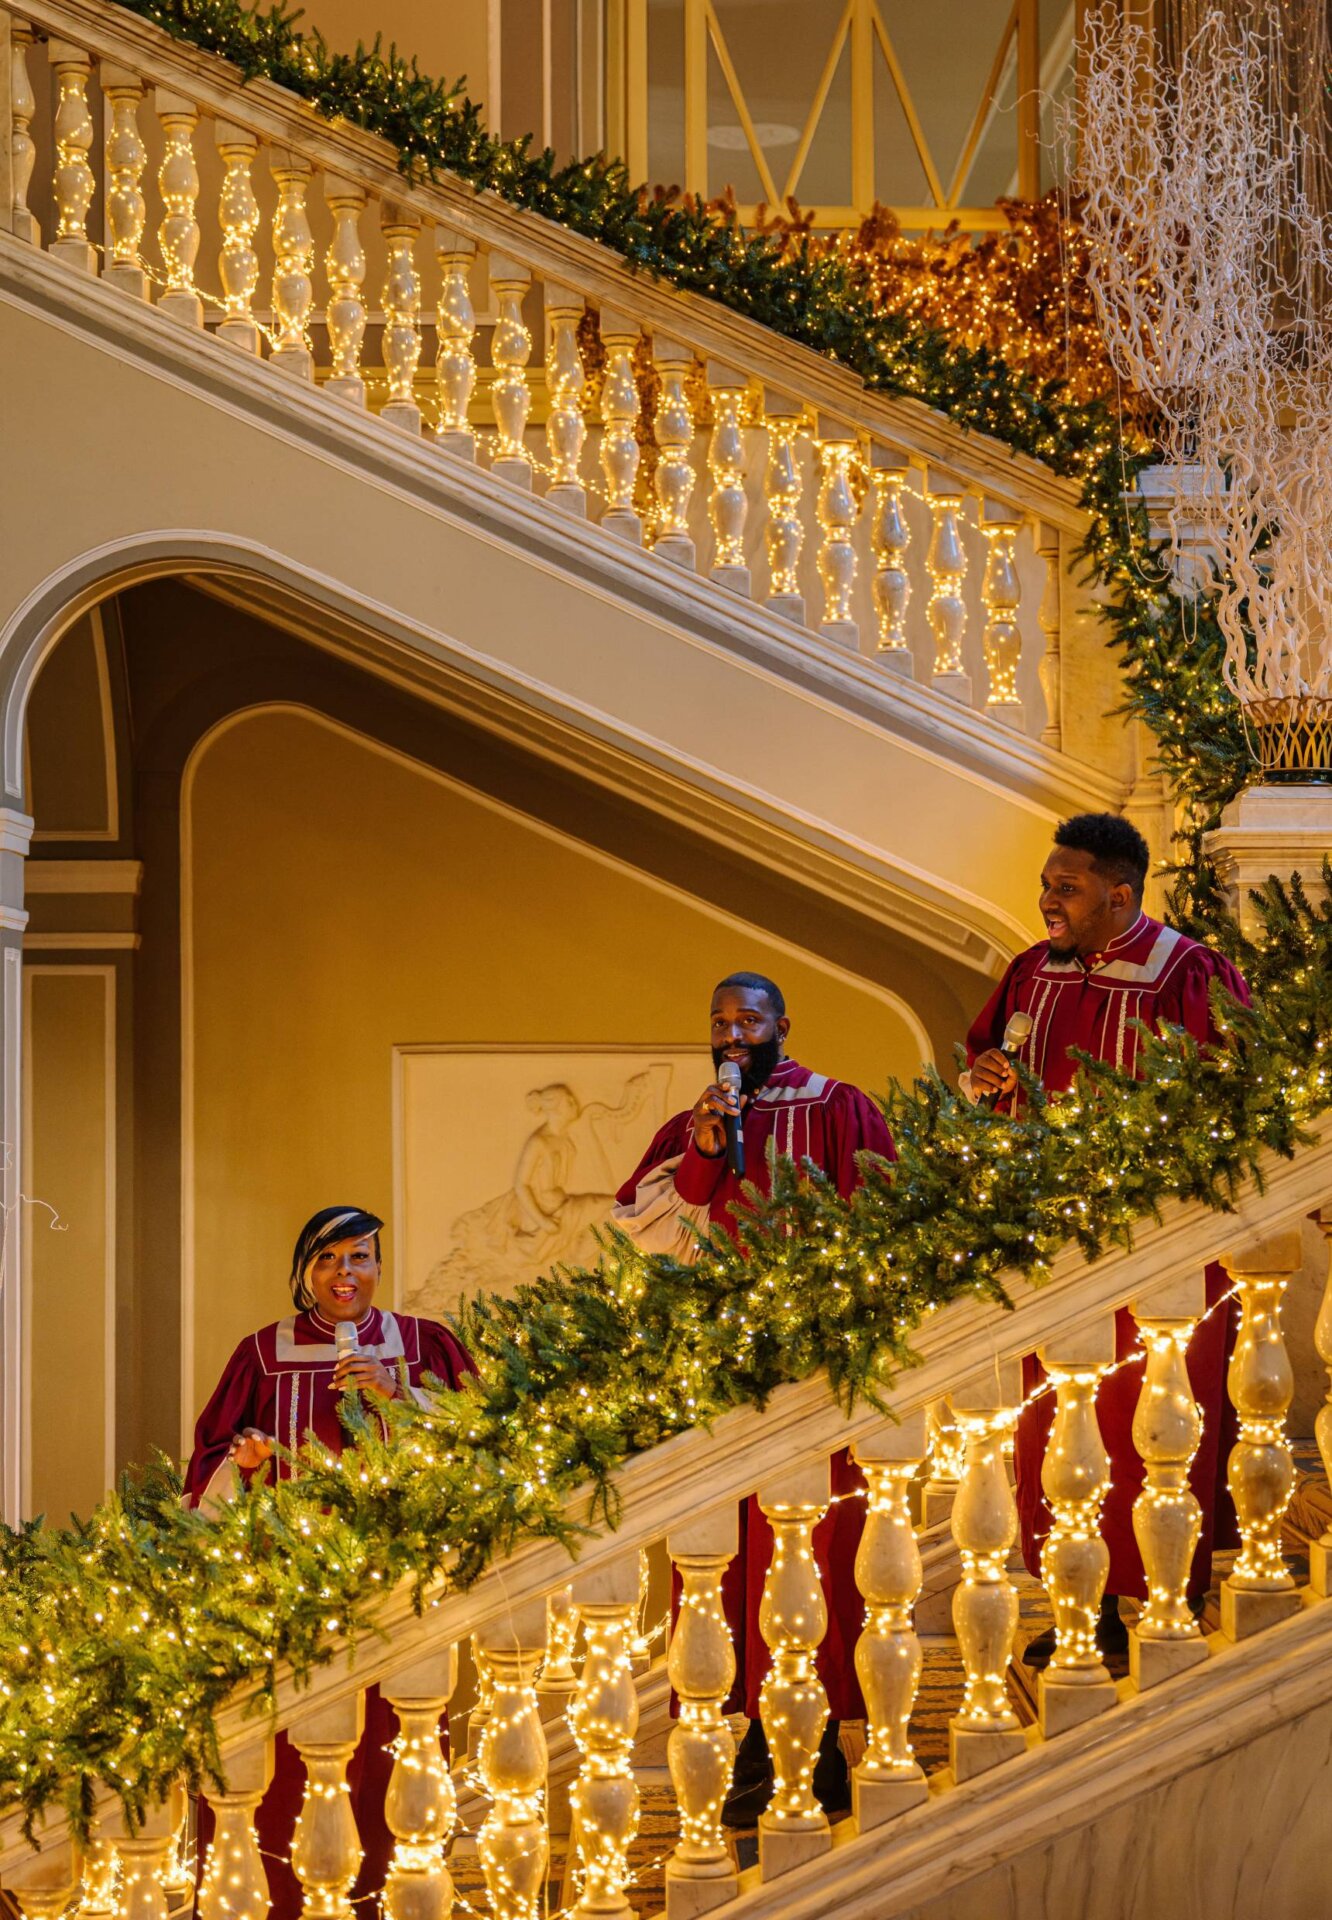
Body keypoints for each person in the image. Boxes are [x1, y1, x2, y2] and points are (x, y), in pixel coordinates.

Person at [964, 814, 1250, 1662]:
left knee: (1152, 1422)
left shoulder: (1187, 973)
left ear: (1120, 895)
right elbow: (985, 1056)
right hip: (1047, 1234)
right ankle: (1077, 1601)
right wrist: (985, 1078)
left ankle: (1156, 1589)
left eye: (1067, 886)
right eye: (1048, 882)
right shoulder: (1030, 970)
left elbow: (1233, 1096)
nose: (1046, 898)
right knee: (1058, 1425)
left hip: (1152, 1238)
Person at [612, 973, 895, 1824]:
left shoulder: (838, 1104)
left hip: (819, 1364)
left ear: (783, 1025)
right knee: (729, 1558)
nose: (733, 1035)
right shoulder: (699, 1118)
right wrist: (705, 1145)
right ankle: (761, 1740)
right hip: (726, 1365)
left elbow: (892, 1211)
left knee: (819, 1547)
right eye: (720, 1022)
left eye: (749, 1019)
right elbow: (652, 1222)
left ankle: (821, 1739)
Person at [185, 1206, 476, 1920]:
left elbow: (480, 1443)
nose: (345, 1274)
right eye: (328, 1260)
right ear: (305, 1272)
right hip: (286, 1596)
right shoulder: (261, 1354)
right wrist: (246, 1463)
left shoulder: (422, 1345)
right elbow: (206, 1472)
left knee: (388, 1763)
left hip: (396, 1589)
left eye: (360, 1257)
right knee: (284, 1771)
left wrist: (397, 1394)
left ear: (379, 1266)